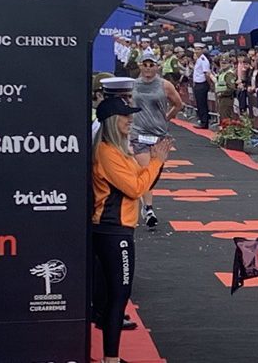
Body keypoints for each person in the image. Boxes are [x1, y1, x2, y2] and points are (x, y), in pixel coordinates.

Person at [92, 96, 171, 363]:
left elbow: (141, 180)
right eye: (125, 116)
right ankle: (111, 358)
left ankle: (110, 357)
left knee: (116, 295)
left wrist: (156, 162)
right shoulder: (106, 152)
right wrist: (156, 162)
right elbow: (136, 188)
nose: (130, 119)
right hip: (112, 230)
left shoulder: (118, 152)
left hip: (118, 229)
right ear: (113, 121)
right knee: (118, 295)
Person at [131, 50, 182, 228]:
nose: (148, 68)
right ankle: (149, 209)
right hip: (138, 133)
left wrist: (166, 118)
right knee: (146, 169)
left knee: (155, 172)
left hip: (158, 134)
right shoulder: (133, 85)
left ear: (157, 67)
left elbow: (178, 104)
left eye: (151, 65)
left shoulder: (165, 85)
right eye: (144, 64)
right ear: (140, 66)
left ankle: (144, 204)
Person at [191, 42, 213, 129]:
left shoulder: (204, 60)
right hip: (197, 83)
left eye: (199, 49)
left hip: (202, 84)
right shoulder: (199, 59)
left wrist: (209, 84)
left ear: (202, 50)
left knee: (202, 103)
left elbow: (206, 73)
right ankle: (201, 120)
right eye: (195, 49)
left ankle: (204, 122)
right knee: (199, 103)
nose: (197, 51)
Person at [214, 55, 238, 121]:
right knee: (223, 117)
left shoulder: (229, 74)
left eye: (225, 63)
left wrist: (222, 94)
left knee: (226, 118)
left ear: (229, 63)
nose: (223, 65)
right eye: (222, 63)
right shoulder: (222, 73)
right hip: (222, 98)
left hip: (227, 99)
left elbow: (231, 88)